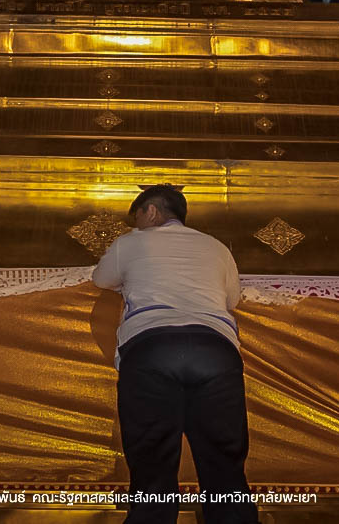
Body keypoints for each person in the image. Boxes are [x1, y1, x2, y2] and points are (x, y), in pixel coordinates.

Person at [92, 184, 259, 524]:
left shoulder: (131, 243)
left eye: (137, 218)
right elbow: (232, 301)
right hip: (215, 350)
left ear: (151, 211)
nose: (136, 226)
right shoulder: (216, 248)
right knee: (224, 464)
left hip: (153, 347)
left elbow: (101, 279)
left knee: (152, 462)